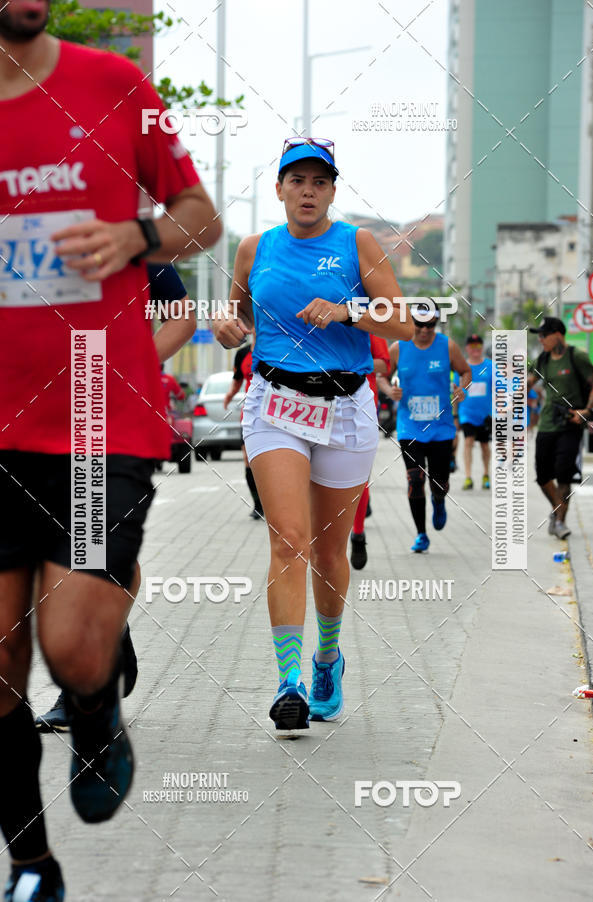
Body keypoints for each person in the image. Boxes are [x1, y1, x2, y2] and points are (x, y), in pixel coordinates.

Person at [0, 4, 220, 899]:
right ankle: (30, 864)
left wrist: (137, 235)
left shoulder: (115, 85)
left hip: (93, 411)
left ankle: (96, 710)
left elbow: (199, 217)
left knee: (73, 649)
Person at [213, 137, 413, 730]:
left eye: (319, 181)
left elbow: (404, 318)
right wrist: (231, 327)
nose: (308, 190)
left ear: (332, 189)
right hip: (274, 402)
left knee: (329, 550)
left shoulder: (358, 243)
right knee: (288, 541)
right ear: (278, 188)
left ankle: (328, 658)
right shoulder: (255, 248)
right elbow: (242, 315)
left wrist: (348, 310)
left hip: (345, 406)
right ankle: (287, 683)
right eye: (296, 180)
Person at [34, 264, 195, 734]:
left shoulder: (137, 238)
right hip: (32, 405)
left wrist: (130, 366)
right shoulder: (26, 231)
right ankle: (113, 636)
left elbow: (182, 317)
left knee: (89, 538)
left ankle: (88, 674)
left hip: (100, 408)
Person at [379, 302, 471, 553]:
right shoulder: (398, 347)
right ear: (412, 323)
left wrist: (462, 388)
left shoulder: (447, 346)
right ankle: (421, 534)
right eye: (420, 324)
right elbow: (381, 375)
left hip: (441, 428)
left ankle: (439, 500)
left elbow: (465, 372)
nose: (425, 330)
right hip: (410, 427)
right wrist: (390, 390)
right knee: (415, 479)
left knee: (438, 482)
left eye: (431, 325)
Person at [528, 316, 593, 540]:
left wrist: (586, 411)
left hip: (571, 424)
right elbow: (529, 381)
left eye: (543, 335)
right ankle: (557, 509)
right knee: (542, 475)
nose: (540, 340)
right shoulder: (544, 359)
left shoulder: (576, 356)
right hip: (548, 423)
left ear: (557, 334)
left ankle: (560, 522)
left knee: (564, 474)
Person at [349, 334, 390, 569]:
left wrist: (352, 361)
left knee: (360, 476)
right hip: (320, 403)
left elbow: (384, 364)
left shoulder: (365, 319)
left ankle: (358, 533)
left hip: (361, 406)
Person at [223, 334, 263, 518]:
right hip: (249, 414)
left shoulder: (274, 349)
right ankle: (257, 505)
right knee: (249, 459)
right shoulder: (242, 354)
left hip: (275, 412)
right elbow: (237, 378)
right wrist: (230, 395)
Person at [458, 334, 492, 490]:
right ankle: (468, 476)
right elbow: (456, 390)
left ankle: (486, 474)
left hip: (486, 415)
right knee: (468, 441)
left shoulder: (491, 366)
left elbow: (499, 389)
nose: (475, 349)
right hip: (467, 413)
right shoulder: (462, 367)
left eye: (478, 346)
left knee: (485, 445)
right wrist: (454, 416)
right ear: (467, 348)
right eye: (472, 346)